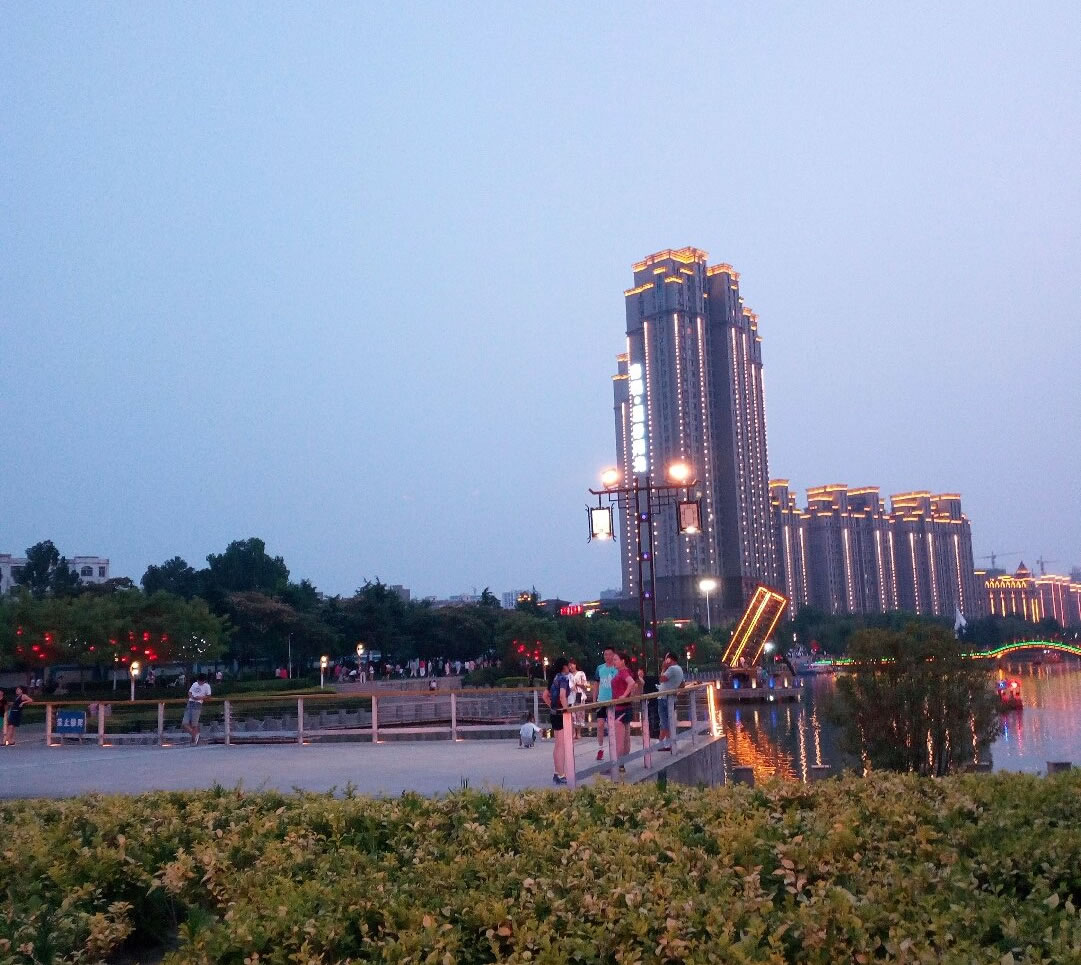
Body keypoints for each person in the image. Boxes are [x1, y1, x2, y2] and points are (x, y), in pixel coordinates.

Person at [542, 657, 572, 784]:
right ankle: (561, 774)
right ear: (564, 666)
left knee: (557, 744)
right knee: (562, 745)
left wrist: (552, 706)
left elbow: (544, 696)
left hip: (554, 713)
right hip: (561, 714)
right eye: (568, 665)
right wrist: (566, 711)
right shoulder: (563, 679)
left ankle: (557, 772)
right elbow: (562, 696)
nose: (569, 668)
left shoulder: (553, 679)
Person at [610, 652, 637, 773]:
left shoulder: (623, 672)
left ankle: (617, 765)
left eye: (616, 659)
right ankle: (621, 764)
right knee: (626, 738)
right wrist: (629, 695)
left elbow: (632, 683)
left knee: (619, 739)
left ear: (623, 661)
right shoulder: (628, 671)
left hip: (620, 708)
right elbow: (636, 683)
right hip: (626, 707)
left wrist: (624, 695)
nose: (614, 662)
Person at [593, 647, 618, 761]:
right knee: (600, 725)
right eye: (605, 654)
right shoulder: (600, 668)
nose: (607, 657)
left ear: (613, 655)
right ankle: (600, 748)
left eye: (609, 654)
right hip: (601, 701)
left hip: (613, 701)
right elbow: (596, 684)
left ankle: (615, 749)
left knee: (614, 726)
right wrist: (594, 700)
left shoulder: (617, 668)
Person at [657, 651, 685, 749]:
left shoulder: (671, 669)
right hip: (671, 698)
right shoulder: (679, 669)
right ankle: (667, 742)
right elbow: (682, 684)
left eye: (666, 658)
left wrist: (663, 668)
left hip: (664, 698)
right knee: (668, 720)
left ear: (669, 659)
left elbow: (661, 679)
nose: (665, 660)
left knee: (664, 721)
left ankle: (661, 743)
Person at [181, 673, 212, 746]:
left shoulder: (207, 686)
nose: (199, 682)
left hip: (198, 704)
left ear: (204, 681)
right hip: (190, 703)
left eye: (201, 681)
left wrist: (200, 698)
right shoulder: (194, 684)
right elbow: (189, 692)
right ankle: (195, 735)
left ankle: (194, 740)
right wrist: (192, 697)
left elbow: (208, 695)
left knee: (194, 724)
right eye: (198, 681)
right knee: (185, 723)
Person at [567, 658, 589, 738]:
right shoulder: (568, 675)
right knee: (572, 715)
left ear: (575, 665)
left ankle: (579, 733)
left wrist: (578, 684)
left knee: (580, 714)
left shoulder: (581, 673)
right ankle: (573, 732)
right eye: (569, 665)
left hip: (580, 695)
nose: (571, 667)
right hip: (570, 696)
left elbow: (585, 685)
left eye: (572, 665)